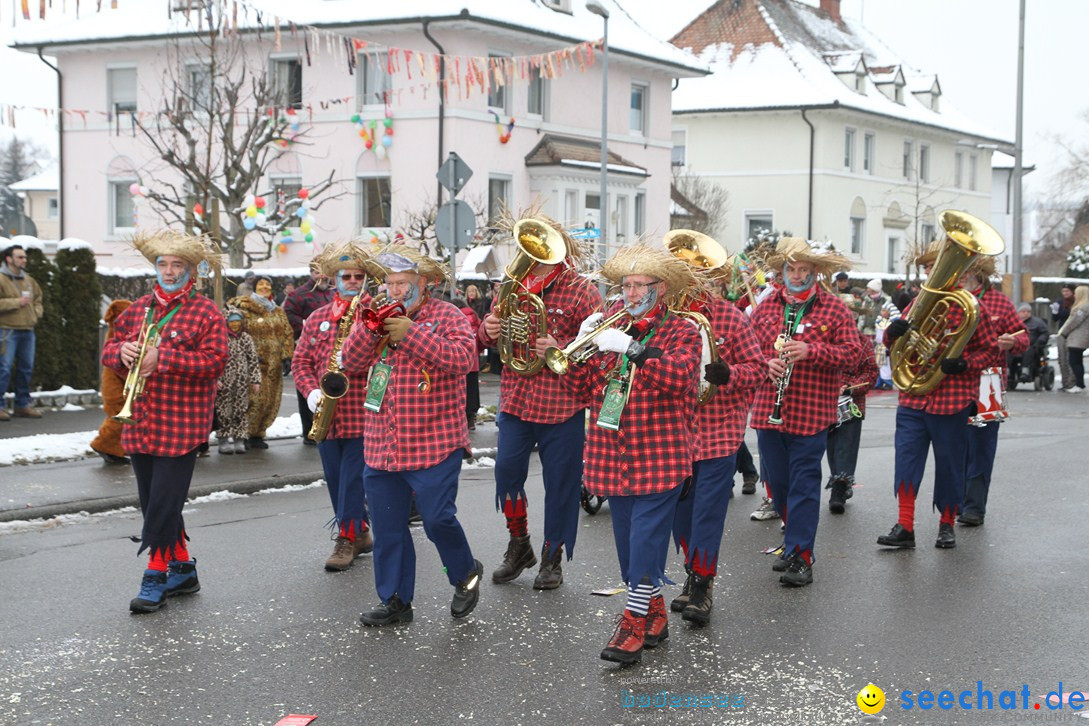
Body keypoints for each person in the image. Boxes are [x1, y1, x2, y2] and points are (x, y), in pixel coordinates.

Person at [559, 243, 702, 664]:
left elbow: (680, 379)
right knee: (627, 545)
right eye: (627, 286)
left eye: (642, 286)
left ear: (663, 288)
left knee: (644, 542)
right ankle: (655, 613)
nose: (633, 294)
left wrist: (633, 349)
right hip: (611, 455)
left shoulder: (683, 330)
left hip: (660, 455)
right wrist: (582, 345)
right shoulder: (608, 326)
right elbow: (580, 391)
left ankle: (632, 624)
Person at [341, 246, 482, 626]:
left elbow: (462, 359)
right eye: (389, 283)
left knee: (437, 520)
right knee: (388, 528)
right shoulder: (373, 315)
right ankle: (396, 601)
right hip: (382, 444)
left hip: (434, 441)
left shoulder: (448, 315)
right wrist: (369, 330)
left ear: (425, 283)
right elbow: (350, 364)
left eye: (403, 283)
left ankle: (465, 573)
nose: (395, 290)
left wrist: (412, 333)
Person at [100, 230, 228, 613]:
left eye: (177, 265)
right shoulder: (138, 308)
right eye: (163, 264)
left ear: (190, 270)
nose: (169, 272)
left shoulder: (206, 311)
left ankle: (155, 574)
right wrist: (120, 351)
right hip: (140, 419)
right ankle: (184, 569)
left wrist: (165, 358)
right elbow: (108, 351)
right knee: (152, 501)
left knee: (163, 501)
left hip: (182, 423)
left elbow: (215, 362)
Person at [478, 219, 601, 590]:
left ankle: (553, 556)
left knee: (561, 486)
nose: (534, 256)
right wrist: (489, 329)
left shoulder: (583, 291)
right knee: (506, 473)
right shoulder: (512, 285)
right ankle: (519, 544)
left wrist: (560, 350)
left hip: (561, 404)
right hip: (517, 398)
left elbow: (595, 348)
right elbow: (489, 333)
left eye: (542, 250)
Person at [749, 238, 860, 587]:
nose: (796, 276)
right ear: (782, 273)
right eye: (791, 270)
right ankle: (792, 540)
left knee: (805, 484)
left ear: (816, 274)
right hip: (770, 409)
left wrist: (812, 350)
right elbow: (747, 351)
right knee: (778, 484)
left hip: (812, 411)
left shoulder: (835, 309)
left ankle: (802, 554)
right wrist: (764, 363)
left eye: (804, 271)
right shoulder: (766, 307)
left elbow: (854, 354)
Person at [668, 238, 765, 625]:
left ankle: (703, 583)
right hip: (673, 433)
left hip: (719, 433)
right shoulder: (667, 317)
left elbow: (757, 370)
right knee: (680, 513)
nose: (694, 285)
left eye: (701, 278)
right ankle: (693, 574)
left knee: (707, 512)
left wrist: (731, 374)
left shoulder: (731, 317)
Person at [877, 243, 997, 551]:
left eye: (935, 266)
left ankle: (946, 525)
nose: (930, 272)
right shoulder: (917, 302)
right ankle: (905, 525)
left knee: (950, 465)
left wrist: (964, 364)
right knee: (905, 462)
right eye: (928, 267)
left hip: (953, 399)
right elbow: (893, 342)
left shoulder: (970, 305)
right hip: (913, 399)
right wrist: (894, 331)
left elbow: (991, 350)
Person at [291, 243, 377, 571]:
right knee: (335, 478)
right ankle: (361, 531)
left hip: (361, 413)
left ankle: (345, 538)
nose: (352, 281)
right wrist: (310, 391)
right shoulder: (316, 319)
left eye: (358, 276)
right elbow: (300, 360)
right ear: (334, 279)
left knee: (353, 479)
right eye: (346, 276)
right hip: (325, 415)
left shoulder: (374, 314)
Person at [958, 259, 1028, 527]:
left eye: (965, 270)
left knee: (982, 447)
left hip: (990, 384)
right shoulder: (952, 299)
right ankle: (957, 502)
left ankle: (974, 507)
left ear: (977, 273)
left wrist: (1013, 341)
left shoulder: (999, 301)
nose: (961, 275)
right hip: (957, 382)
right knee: (957, 445)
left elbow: (1024, 337)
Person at [826, 298, 879, 514]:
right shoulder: (826, 339)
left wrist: (850, 387)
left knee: (845, 448)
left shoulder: (863, 341)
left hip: (852, 402)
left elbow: (871, 372)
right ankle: (839, 483)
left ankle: (839, 488)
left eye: (852, 314)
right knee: (831, 448)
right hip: (825, 400)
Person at [228, 277, 294, 449]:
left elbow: (287, 333)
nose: (265, 287)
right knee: (252, 400)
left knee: (270, 400)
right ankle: (245, 433)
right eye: (261, 284)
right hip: (252, 363)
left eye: (268, 284)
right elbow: (235, 332)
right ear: (254, 288)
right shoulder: (245, 308)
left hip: (274, 364)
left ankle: (259, 433)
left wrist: (287, 356)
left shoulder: (278, 311)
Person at [284, 261, 335, 443]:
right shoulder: (299, 294)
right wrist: (304, 325)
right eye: (317, 272)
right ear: (310, 273)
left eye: (324, 272)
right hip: (307, 342)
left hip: (330, 347)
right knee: (309, 392)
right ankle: (309, 432)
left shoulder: (332, 293)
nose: (321, 276)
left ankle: (328, 427)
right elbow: (288, 313)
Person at [0, 243, 44, 421]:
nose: (24, 260)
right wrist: (17, 302)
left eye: (25, 257)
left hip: (28, 330)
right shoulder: (1, 279)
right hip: (7, 330)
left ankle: (22, 405)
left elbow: (38, 300)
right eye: (20, 257)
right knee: (4, 369)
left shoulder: (29, 280)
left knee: (26, 369)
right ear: (9, 259)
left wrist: (36, 312)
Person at [90, 299, 133, 463]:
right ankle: (104, 445)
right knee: (118, 418)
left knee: (120, 419)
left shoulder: (117, 333)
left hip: (116, 386)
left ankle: (114, 449)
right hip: (115, 388)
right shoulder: (117, 334)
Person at [215, 307, 261, 455]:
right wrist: (215, 379)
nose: (235, 324)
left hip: (242, 382)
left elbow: (253, 360)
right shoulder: (221, 337)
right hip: (225, 381)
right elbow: (215, 359)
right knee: (224, 411)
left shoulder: (246, 338)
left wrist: (255, 380)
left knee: (241, 410)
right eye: (232, 321)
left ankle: (239, 438)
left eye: (238, 321)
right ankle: (223, 438)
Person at [453, 294, 482, 430]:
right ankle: (472, 419)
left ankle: (463, 420)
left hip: (458, 363)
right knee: (473, 392)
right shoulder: (474, 316)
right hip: (473, 362)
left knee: (460, 392)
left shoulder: (454, 317)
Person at [1008, 303, 1049, 387]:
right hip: (1015, 345)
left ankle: (1025, 371)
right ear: (1018, 313)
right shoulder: (1013, 322)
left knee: (1028, 349)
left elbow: (1045, 333)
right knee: (1007, 349)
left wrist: (1040, 341)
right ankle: (1007, 372)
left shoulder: (1038, 322)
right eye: (1023, 311)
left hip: (1032, 346)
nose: (1026, 313)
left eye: (1028, 311)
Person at [1058, 285, 1089, 392]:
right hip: (1079, 338)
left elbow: (1074, 322)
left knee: (1074, 361)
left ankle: (1079, 385)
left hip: (1078, 338)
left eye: (1076, 293)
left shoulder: (1083, 307)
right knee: (1077, 361)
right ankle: (1079, 384)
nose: (1074, 295)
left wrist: (1064, 332)